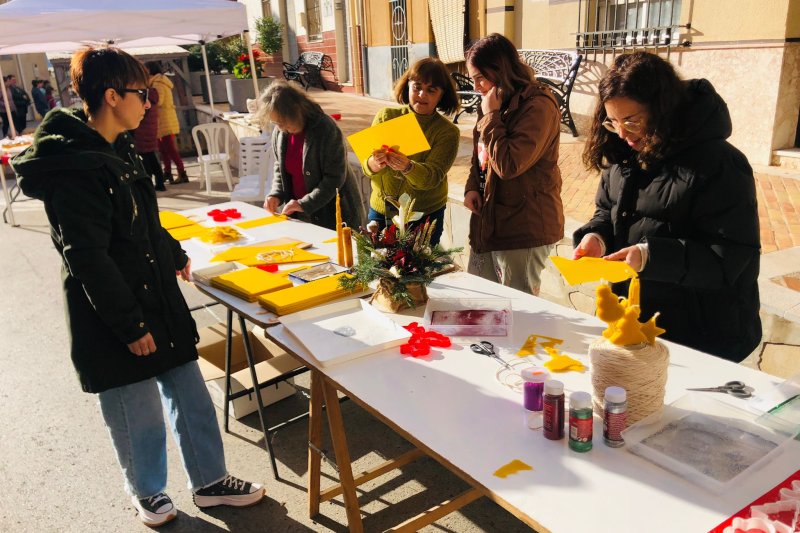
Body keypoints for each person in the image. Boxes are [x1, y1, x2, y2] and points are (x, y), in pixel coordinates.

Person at [12, 47, 265, 527]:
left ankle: (210, 481)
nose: (148, 103)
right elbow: (87, 257)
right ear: (112, 96)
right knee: (136, 408)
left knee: (188, 389)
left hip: (154, 290)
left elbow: (145, 220)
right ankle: (147, 490)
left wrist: (173, 252)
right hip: (112, 309)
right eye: (141, 94)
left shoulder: (120, 147)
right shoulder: (74, 168)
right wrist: (129, 325)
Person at [572, 51, 761, 362]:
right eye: (612, 121)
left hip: (702, 333)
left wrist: (648, 256)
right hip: (638, 320)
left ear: (663, 110)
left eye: (632, 120)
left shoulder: (720, 164)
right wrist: (596, 237)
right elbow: (607, 211)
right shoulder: (623, 152)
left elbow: (729, 257)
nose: (622, 133)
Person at [463, 33, 564, 296]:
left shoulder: (539, 106)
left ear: (500, 71)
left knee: (518, 309)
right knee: (480, 299)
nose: (476, 88)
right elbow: (482, 154)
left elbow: (509, 164)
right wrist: (472, 185)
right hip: (490, 220)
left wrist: (491, 116)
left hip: (524, 226)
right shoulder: (496, 102)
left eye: (479, 78)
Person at [362, 57, 460, 245]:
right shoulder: (386, 117)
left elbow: (432, 177)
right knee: (379, 269)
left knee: (420, 273)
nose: (422, 95)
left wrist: (408, 167)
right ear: (407, 86)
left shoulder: (447, 132)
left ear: (442, 95)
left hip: (424, 216)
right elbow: (366, 167)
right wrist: (373, 164)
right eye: (417, 87)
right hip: (381, 212)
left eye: (431, 90)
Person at [256, 80, 364, 230]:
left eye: (282, 121)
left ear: (296, 111)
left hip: (335, 216)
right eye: (275, 123)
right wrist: (275, 194)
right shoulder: (280, 133)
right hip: (298, 213)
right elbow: (280, 168)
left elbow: (334, 179)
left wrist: (304, 203)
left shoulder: (326, 129)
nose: (280, 127)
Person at [147, 61, 188, 184]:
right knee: (163, 150)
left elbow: (158, 101)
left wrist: (147, 98)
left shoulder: (158, 83)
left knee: (170, 149)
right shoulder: (156, 82)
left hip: (164, 119)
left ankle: (182, 173)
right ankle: (168, 173)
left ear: (150, 70)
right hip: (163, 120)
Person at [133, 86, 167, 191]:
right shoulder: (153, 96)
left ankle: (150, 183)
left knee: (145, 159)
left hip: (142, 132)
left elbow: (139, 115)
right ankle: (160, 182)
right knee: (151, 156)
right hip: (151, 131)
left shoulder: (144, 98)